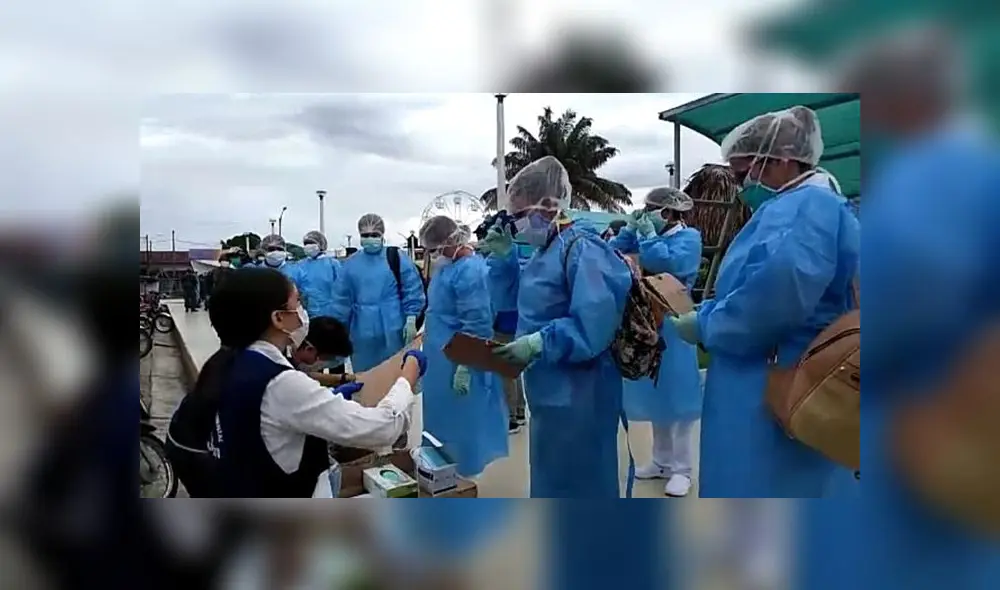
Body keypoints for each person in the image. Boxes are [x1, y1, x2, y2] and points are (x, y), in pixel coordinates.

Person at [835, 28, 1000, 589]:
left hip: (925, 420)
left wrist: (850, 354)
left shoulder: (938, 175)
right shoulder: (963, 168)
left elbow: (915, 289)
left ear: (900, 99)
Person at [668, 106, 861, 498]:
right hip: (796, 377)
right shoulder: (826, 206)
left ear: (783, 161)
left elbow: (772, 299)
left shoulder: (804, 209)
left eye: (746, 171)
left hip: (767, 383)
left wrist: (707, 324)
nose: (744, 182)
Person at [178, 267, 426, 498]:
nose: (302, 312)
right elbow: (382, 428)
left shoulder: (226, 361)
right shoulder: (280, 383)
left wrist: (324, 402)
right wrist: (407, 376)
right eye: (297, 303)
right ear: (278, 318)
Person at [481, 156, 633, 498]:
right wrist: (505, 261)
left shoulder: (583, 248)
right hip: (549, 392)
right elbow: (517, 301)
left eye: (519, 216)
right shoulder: (544, 251)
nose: (516, 225)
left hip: (583, 393)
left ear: (549, 206)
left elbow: (594, 326)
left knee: (583, 484)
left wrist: (540, 343)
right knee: (553, 480)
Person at [608, 187, 704, 497]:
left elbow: (666, 264)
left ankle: (682, 469)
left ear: (668, 213)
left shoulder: (689, 238)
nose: (647, 213)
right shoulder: (647, 233)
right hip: (647, 318)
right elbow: (613, 249)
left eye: (652, 209)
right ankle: (661, 460)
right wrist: (630, 229)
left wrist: (648, 236)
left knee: (678, 394)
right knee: (656, 391)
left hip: (676, 321)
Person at [416, 215, 509, 478]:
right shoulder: (447, 268)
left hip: (459, 358)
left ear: (451, 242)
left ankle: (466, 469)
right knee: (440, 415)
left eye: (434, 250)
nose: (433, 255)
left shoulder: (471, 271)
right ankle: (439, 464)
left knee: (463, 416)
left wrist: (465, 365)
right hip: (438, 356)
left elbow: (477, 323)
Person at [330, 214, 426, 372]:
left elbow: (412, 289)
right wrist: (337, 328)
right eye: (365, 235)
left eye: (374, 235)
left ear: (382, 235)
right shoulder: (351, 264)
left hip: (394, 326)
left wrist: (411, 317)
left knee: (394, 375)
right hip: (361, 331)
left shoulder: (396, 258)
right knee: (365, 378)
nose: (370, 238)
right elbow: (341, 300)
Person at [485, 226, 528, 433]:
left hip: (502, 318)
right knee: (512, 367)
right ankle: (518, 410)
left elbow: (493, 292)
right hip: (512, 316)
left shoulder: (504, 259)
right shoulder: (513, 257)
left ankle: (511, 416)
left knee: (505, 368)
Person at [289, 315, 355, 387]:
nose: (322, 365)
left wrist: (343, 378)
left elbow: (307, 375)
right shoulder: (280, 362)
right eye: (324, 359)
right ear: (309, 349)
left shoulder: (295, 354)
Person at [294, 230, 342, 320]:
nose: (308, 246)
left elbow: (342, 290)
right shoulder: (299, 265)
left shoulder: (333, 265)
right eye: (306, 243)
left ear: (321, 244)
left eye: (311, 243)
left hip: (329, 314)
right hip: (305, 315)